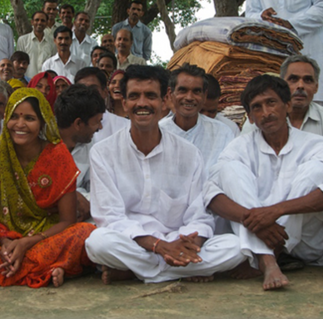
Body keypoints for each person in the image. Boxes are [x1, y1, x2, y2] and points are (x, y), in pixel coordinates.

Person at [85, 65, 245, 284]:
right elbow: (110, 218)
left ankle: (136, 271)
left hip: (177, 239)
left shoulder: (189, 154)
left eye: (150, 96)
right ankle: (181, 269)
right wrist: (159, 247)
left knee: (236, 247)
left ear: (164, 101)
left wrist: (189, 244)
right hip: (135, 243)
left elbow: (199, 214)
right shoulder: (103, 152)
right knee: (97, 242)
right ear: (124, 103)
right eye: (134, 96)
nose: (142, 103)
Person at [205, 75, 323, 290]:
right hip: (257, 233)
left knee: (315, 171)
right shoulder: (239, 147)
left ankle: (264, 255)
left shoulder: (316, 144)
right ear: (250, 117)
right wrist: (256, 221)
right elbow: (211, 194)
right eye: (257, 107)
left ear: (287, 105)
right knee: (228, 170)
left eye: (271, 103)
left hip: (304, 244)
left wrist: (275, 212)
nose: (266, 113)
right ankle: (268, 259)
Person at [0, 88, 96, 288]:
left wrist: (27, 243)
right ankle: (48, 268)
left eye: (29, 118)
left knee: (85, 233)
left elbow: (67, 221)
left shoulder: (58, 155)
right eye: (14, 117)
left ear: (42, 122)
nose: (20, 125)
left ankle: (17, 270)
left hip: (46, 237)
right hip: (4, 242)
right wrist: (6, 244)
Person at [240, 55, 323, 143]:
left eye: (308, 80)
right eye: (293, 79)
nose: (300, 86)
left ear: (316, 87)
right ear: (282, 84)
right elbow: (242, 155)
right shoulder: (262, 117)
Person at [158, 64, 237, 168]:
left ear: (204, 96)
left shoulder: (222, 133)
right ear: (170, 94)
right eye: (183, 90)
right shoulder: (157, 132)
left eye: (196, 91)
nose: (189, 97)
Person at [55, 84, 105, 218]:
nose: (100, 127)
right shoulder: (39, 142)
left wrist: (82, 198)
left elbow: (95, 190)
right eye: (97, 122)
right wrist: (72, 195)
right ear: (78, 124)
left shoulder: (91, 146)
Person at [74, 67, 130, 141]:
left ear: (105, 92)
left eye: (93, 89)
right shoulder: (69, 128)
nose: (87, 94)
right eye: (82, 89)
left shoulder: (125, 126)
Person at [18, 11, 56, 78]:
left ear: (47, 23)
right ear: (32, 22)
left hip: (46, 82)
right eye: (37, 20)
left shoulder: (52, 42)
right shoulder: (23, 40)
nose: (39, 22)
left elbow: (54, 63)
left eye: (42, 20)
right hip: (28, 81)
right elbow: (19, 63)